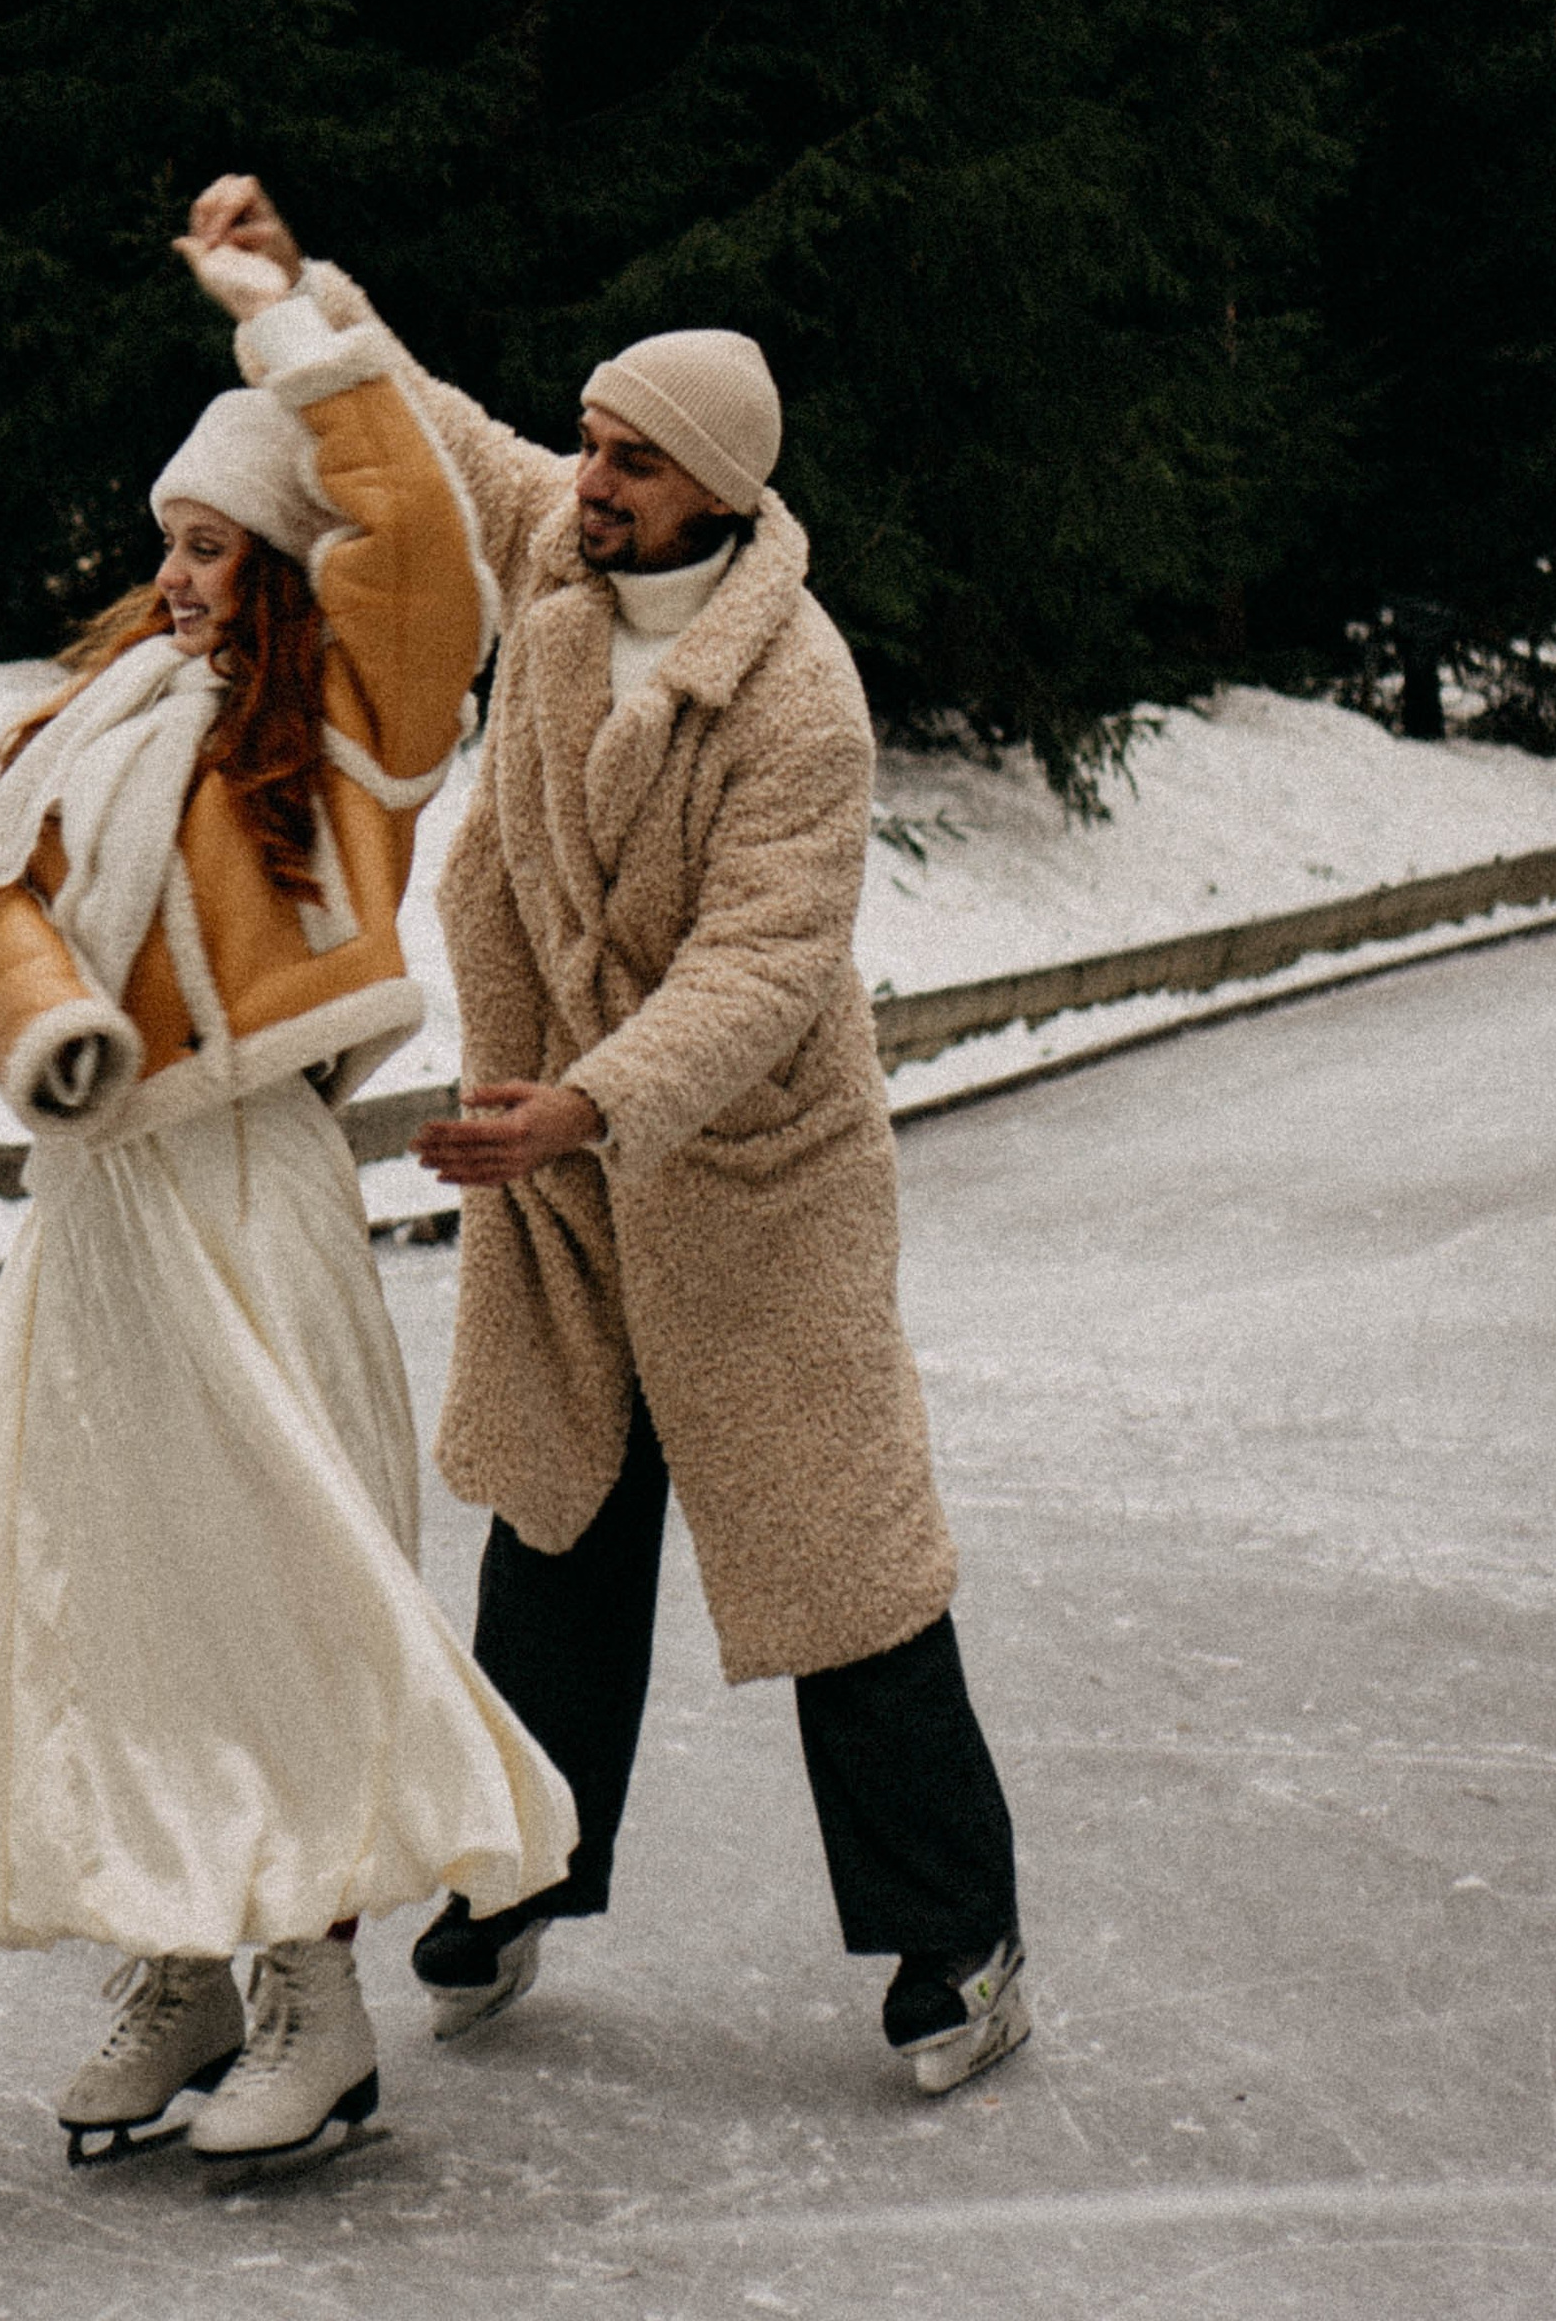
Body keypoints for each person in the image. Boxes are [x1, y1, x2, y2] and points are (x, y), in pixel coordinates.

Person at [192, 174, 1028, 2095]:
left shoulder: (798, 698)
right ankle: (509, 1887)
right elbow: (427, 423)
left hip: (752, 1193)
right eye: (591, 442)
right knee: (553, 1544)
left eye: (633, 460)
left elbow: (761, 968)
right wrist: (291, 290)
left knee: (844, 1577)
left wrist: (588, 1101)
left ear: (719, 491)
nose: (590, 478)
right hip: (567, 1190)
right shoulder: (562, 580)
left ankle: (962, 1938)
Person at [0, 222, 576, 2178]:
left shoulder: (365, 729)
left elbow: (413, 514)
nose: (171, 572)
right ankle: (180, 1966)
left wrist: (281, 327)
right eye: (169, 538)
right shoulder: (106, 721)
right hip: (106, 1202)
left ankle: (316, 1992)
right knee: (106, 1584)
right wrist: (47, 1033)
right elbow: (8, 900)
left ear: (292, 567)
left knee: (281, 1582)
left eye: (210, 543)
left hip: (252, 1174)